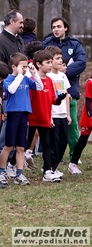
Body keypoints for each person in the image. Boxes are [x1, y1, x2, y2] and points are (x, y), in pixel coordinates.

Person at [42, 17, 87, 164]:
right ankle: (54, 156)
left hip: (69, 89)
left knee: (71, 124)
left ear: (65, 28)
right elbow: (40, 61)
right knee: (51, 126)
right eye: (53, 26)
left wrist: (63, 71)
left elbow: (81, 62)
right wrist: (54, 70)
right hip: (48, 90)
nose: (56, 29)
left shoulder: (74, 44)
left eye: (59, 26)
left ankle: (74, 155)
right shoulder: (47, 43)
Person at [0, 52, 43, 186]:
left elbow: (40, 87)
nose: (25, 69)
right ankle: (1, 172)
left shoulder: (26, 79)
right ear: (14, 67)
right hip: (13, 114)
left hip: (24, 114)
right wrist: (20, 75)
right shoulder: (9, 79)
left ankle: (19, 173)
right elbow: (11, 90)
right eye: (22, 66)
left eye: (26, 66)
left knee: (21, 147)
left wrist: (34, 74)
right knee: (9, 145)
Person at [26, 50, 66, 182]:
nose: (50, 65)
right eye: (47, 62)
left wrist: (59, 99)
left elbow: (52, 99)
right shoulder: (32, 81)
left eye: (51, 62)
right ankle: (11, 165)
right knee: (25, 144)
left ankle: (48, 171)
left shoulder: (49, 80)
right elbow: (29, 101)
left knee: (47, 144)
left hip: (45, 119)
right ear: (38, 64)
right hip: (32, 120)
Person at [0, 9, 25, 156]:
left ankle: (14, 155)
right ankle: (3, 152)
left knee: (18, 122)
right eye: (20, 22)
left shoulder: (19, 40)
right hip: (7, 89)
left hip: (20, 88)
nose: (23, 25)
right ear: (12, 21)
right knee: (8, 121)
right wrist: (0, 90)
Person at [46, 46, 71, 176]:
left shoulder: (62, 76)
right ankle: (50, 167)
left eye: (61, 58)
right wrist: (49, 116)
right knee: (53, 143)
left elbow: (66, 95)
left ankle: (54, 167)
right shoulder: (48, 76)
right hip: (53, 114)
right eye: (57, 58)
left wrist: (67, 114)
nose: (60, 60)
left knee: (64, 141)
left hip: (62, 114)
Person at [69, 70, 92, 174]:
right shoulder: (90, 82)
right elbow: (88, 100)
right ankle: (73, 163)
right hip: (89, 116)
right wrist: (89, 114)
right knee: (83, 139)